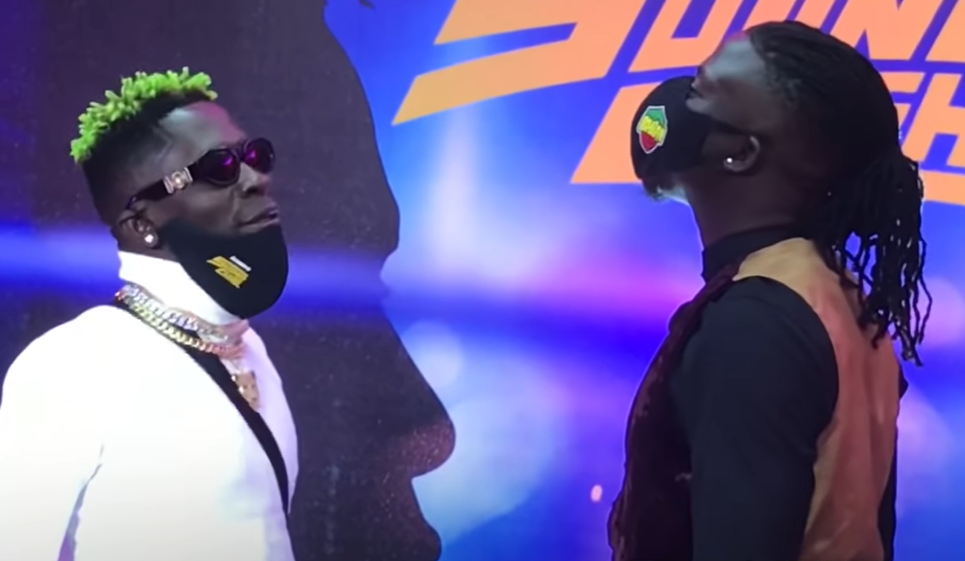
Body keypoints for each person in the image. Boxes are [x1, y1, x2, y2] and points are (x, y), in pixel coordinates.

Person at [608, 21, 930, 561]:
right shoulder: (836, 293)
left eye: (700, 92)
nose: (672, 102)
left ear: (739, 152)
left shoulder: (753, 324)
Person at [0, 69, 298, 561]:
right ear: (141, 224)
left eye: (254, 156)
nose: (256, 178)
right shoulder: (72, 365)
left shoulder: (249, 349)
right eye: (220, 167)